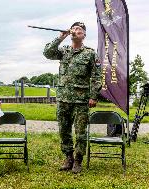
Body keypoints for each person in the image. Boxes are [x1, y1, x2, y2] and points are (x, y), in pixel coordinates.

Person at [43, 22, 102, 173]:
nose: (76, 31)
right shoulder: (64, 51)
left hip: (81, 100)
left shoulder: (90, 53)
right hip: (63, 98)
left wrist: (94, 96)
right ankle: (68, 157)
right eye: (74, 29)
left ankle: (78, 160)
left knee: (80, 131)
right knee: (64, 130)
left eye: (80, 30)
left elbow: (96, 77)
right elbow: (47, 53)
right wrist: (60, 38)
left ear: (84, 35)